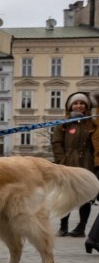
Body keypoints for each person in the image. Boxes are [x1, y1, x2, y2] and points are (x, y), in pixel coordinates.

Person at [51, 92, 95, 237]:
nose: (79, 106)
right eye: (75, 103)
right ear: (70, 106)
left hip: (87, 162)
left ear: (87, 106)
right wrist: (62, 161)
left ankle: (81, 227)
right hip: (68, 162)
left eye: (82, 103)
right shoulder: (63, 124)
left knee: (86, 196)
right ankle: (63, 227)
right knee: (66, 195)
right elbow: (56, 143)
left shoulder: (91, 123)